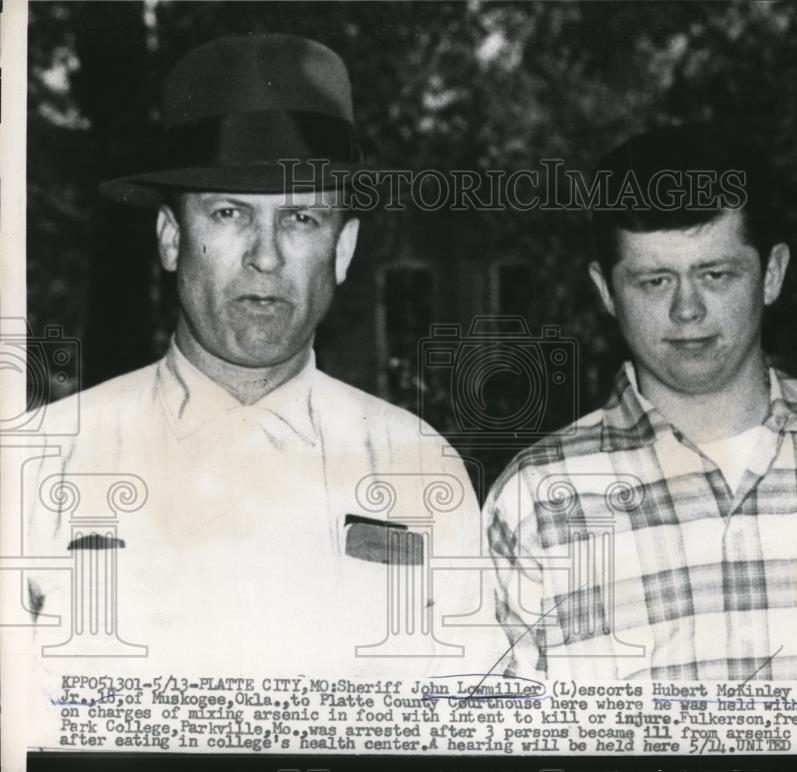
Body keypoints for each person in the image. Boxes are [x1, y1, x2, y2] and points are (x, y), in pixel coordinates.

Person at [24, 34, 497, 677]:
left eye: (301, 219)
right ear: (171, 238)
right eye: (228, 213)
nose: (266, 256)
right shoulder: (44, 462)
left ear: (343, 249)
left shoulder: (420, 467)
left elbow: (467, 718)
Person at [485, 126, 797, 681]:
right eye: (654, 281)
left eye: (715, 274)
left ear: (771, 274)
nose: (688, 309)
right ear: (606, 292)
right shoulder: (535, 500)